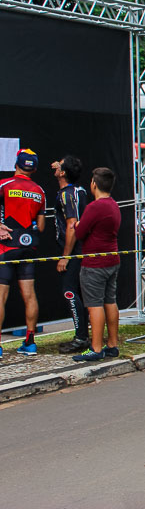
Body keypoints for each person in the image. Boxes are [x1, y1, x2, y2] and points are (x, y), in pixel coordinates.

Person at [71, 168, 123, 362]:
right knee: (110, 301)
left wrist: (76, 225)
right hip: (112, 258)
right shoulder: (113, 205)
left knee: (94, 305)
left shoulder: (94, 207)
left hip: (94, 262)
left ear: (94, 184)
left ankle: (96, 347)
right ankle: (112, 344)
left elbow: (80, 232)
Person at [0, 149, 46, 358]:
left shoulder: (4, 185)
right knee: (30, 294)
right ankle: (30, 342)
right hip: (28, 246)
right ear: (34, 168)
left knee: (1, 296)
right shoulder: (40, 191)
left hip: (6, 247)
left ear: (16, 165)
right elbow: (42, 226)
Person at [52, 156, 92, 354]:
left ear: (64, 173)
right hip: (81, 250)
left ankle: (81, 337)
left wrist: (65, 256)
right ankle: (82, 334)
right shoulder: (78, 190)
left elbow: (71, 225)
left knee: (69, 292)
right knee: (79, 293)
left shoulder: (68, 194)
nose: (56, 166)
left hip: (75, 251)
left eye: (60, 164)